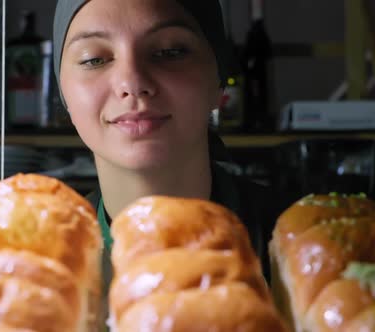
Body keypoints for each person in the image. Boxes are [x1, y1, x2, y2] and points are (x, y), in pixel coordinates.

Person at [52, 0, 278, 286]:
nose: (132, 82)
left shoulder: (306, 242)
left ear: (218, 81)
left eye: (170, 51)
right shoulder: (38, 264)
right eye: (94, 59)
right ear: (64, 94)